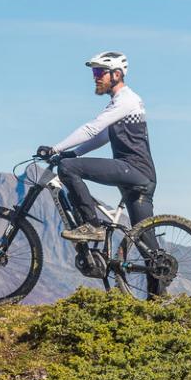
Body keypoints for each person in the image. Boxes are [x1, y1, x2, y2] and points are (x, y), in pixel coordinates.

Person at [38, 50, 157, 245]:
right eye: (94, 74)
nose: (96, 78)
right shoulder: (122, 102)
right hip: (138, 176)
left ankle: (92, 225)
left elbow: (92, 129)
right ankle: (159, 274)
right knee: (148, 246)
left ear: (116, 74)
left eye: (100, 73)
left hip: (134, 169)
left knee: (68, 167)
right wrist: (75, 152)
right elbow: (103, 136)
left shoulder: (126, 100)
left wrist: (55, 149)